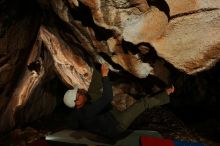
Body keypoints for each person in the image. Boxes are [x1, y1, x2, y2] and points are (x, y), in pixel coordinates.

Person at [63, 64, 175, 139]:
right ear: (77, 102)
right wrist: (105, 76)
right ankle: (166, 94)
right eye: (79, 94)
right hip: (116, 126)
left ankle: (98, 66)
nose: (81, 92)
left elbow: (73, 122)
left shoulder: (77, 110)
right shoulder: (87, 111)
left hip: (107, 118)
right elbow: (107, 98)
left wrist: (97, 69)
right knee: (142, 104)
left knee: (92, 92)